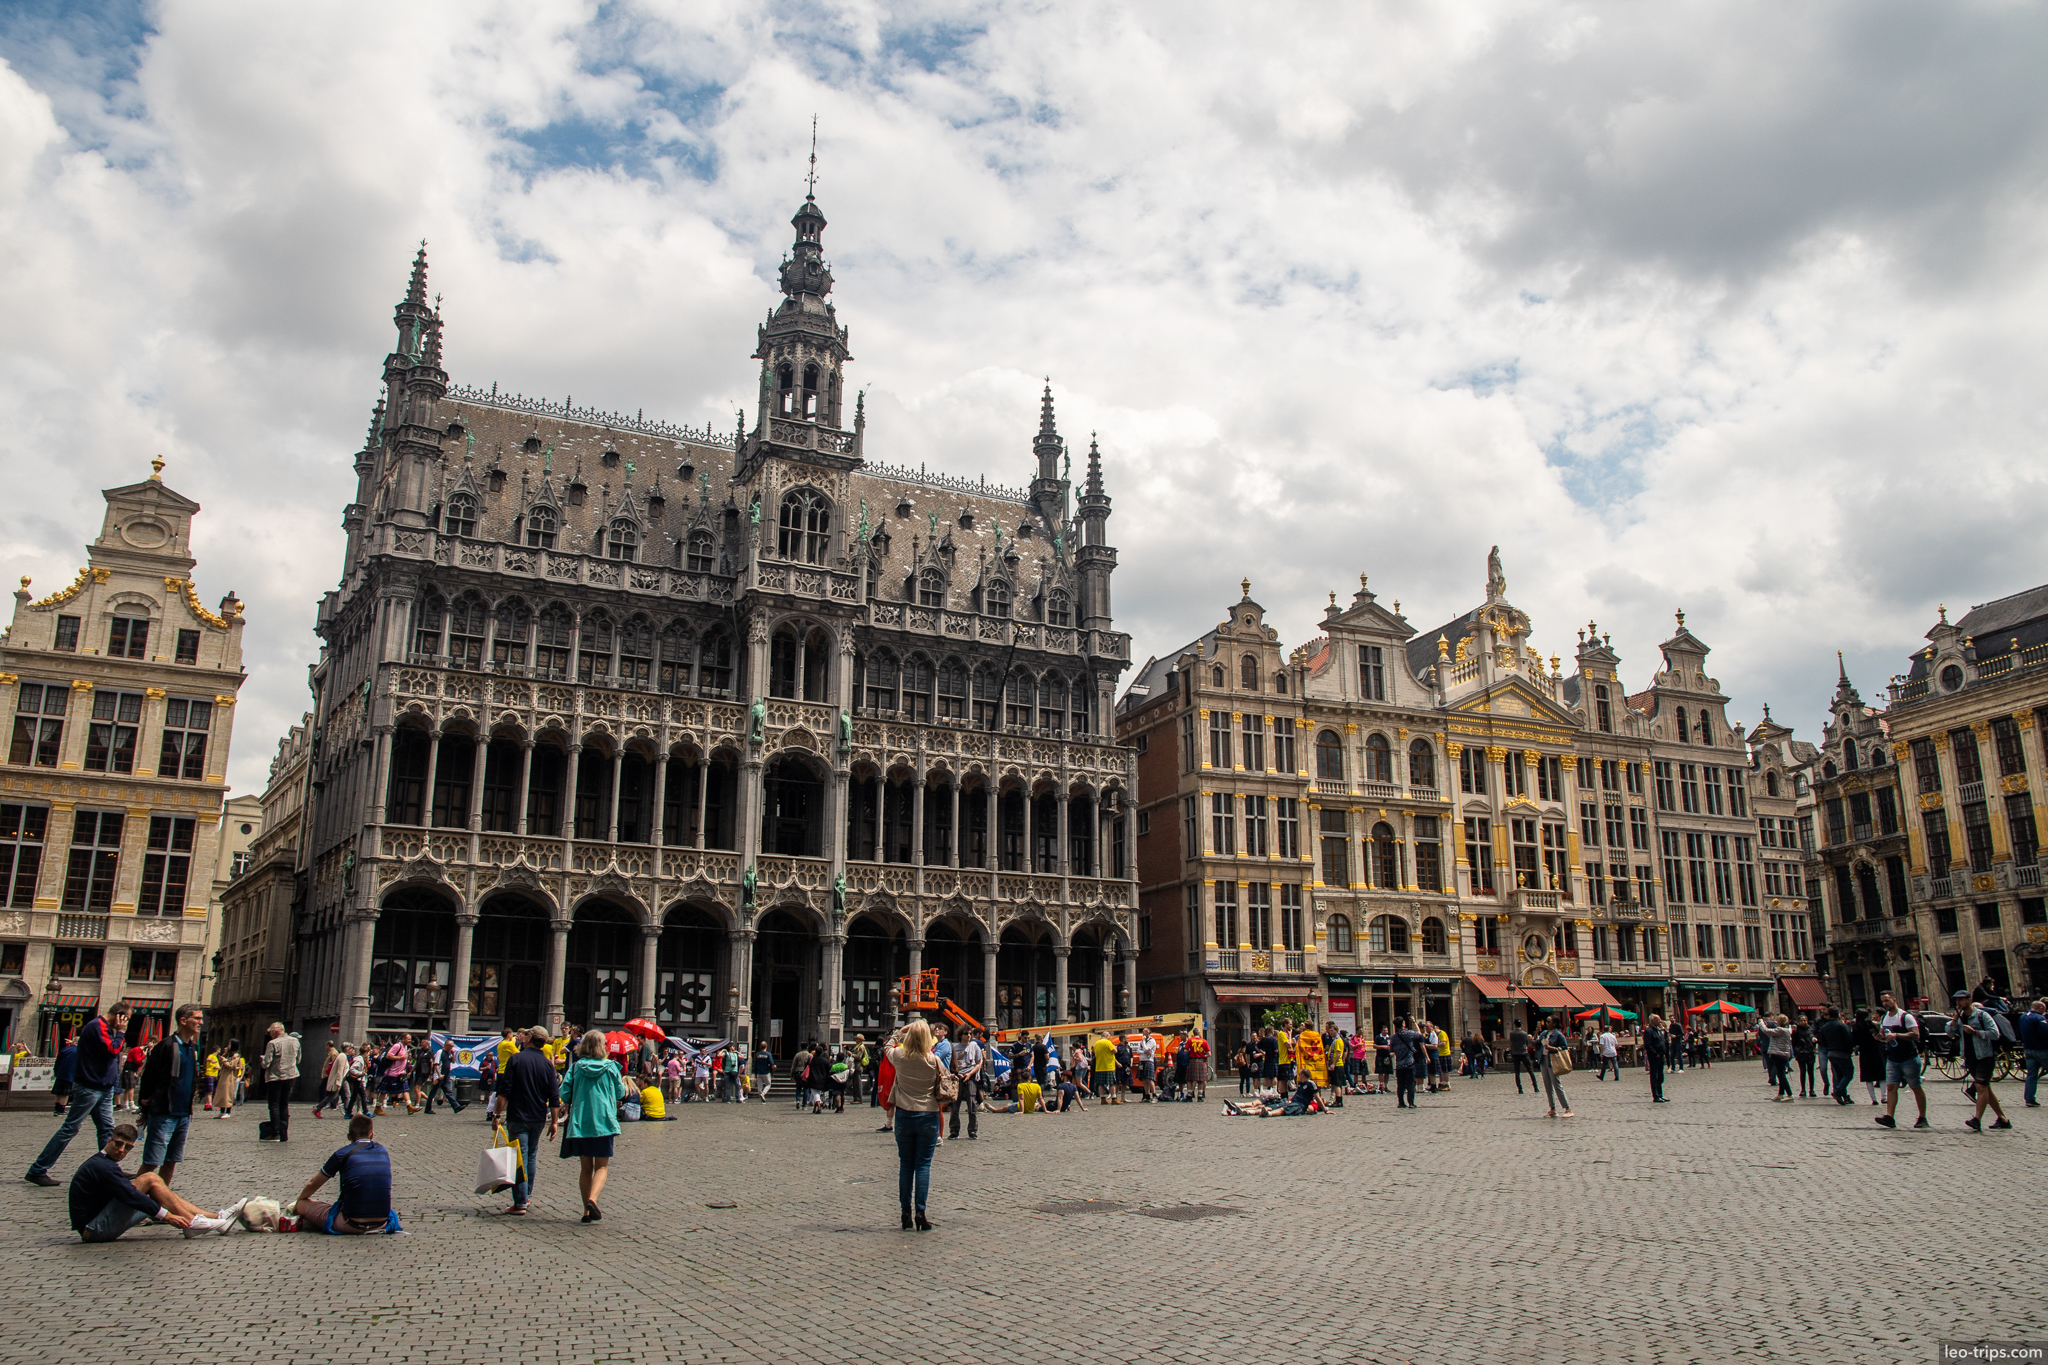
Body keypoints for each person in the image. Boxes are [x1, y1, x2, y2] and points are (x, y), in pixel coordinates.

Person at [26, 1001, 130, 1186]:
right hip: (91, 1086)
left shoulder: (105, 1028)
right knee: (70, 1128)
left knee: (106, 1129)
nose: (126, 1023)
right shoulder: (98, 1027)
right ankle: (38, 1169)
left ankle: (110, 1170)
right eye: (126, 1019)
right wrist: (121, 1033)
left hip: (102, 1087)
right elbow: (112, 1049)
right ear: (119, 1016)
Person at [69, 1125, 230, 1241]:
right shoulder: (102, 1166)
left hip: (98, 1224)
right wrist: (167, 1216)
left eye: (127, 1147)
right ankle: (192, 1222)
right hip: (94, 1229)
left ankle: (215, 1217)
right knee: (150, 1178)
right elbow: (129, 1195)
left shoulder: (104, 1163)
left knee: (161, 1191)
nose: (121, 1150)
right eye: (118, 1144)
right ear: (109, 1141)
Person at [293, 1114, 400, 1234]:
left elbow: (313, 1183)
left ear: (349, 1136)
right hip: (381, 1222)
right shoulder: (383, 1151)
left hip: (351, 1223)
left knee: (303, 1205)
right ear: (372, 1134)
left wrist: (299, 1202)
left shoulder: (342, 1154)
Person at [559, 1029, 623, 1223]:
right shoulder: (611, 1067)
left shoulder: (576, 1068)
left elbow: (564, 1093)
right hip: (604, 1122)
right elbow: (620, 1093)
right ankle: (593, 1200)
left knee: (585, 1168)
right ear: (602, 1046)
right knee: (602, 1167)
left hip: (581, 1123)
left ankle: (586, 1212)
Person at [137, 1003, 205, 1186]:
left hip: (183, 1113)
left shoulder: (192, 1047)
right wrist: (145, 1109)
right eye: (197, 1018)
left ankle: (160, 1198)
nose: (201, 1022)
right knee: (152, 1160)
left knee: (171, 1160)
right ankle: (132, 1199)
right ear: (183, 1021)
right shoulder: (166, 1046)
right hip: (164, 1112)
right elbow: (148, 1078)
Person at [494, 1024, 559, 1216]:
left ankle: (520, 1202)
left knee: (519, 1157)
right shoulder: (547, 1063)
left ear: (529, 1038)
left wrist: (497, 1115)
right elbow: (554, 1096)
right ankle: (526, 1195)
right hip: (538, 1117)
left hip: (518, 1115)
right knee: (530, 1156)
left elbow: (503, 1093)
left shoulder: (516, 1059)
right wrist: (554, 1122)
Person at [885, 1021, 943, 1232]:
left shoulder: (900, 1057)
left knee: (906, 1165)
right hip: (928, 1115)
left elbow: (887, 1048)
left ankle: (904, 1213)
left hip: (904, 1115)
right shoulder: (933, 1060)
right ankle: (920, 1212)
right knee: (923, 1166)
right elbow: (945, 1080)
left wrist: (899, 1032)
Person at [1953, 990, 2012, 1132]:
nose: (1958, 1003)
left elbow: (1994, 1033)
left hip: (1985, 1056)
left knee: (1980, 1087)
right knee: (1985, 1088)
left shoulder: (1982, 1015)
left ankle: (1977, 1120)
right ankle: (2003, 1119)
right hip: (1970, 1057)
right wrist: (1955, 1020)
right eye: (1957, 1000)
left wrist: (1975, 1032)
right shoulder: (1960, 1017)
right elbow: (1950, 1033)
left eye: (1961, 999)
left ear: (1969, 1000)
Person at [1875, 992, 1928, 1129]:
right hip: (1893, 1058)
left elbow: (1916, 1035)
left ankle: (1922, 1117)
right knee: (1891, 1086)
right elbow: (1883, 1033)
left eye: (1887, 1000)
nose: (1885, 1003)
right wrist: (1880, 1037)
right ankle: (1889, 1117)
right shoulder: (1885, 1017)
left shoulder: (1906, 1017)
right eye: (1883, 1001)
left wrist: (1897, 1035)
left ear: (1894, 1000)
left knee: (1915, 1087)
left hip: (1908, 1057)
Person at [261, 1021, 302, 1142]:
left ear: (274, 1031)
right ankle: (284, 1133)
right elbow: (298, 1059)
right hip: (291, 1076)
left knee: (274, 1104)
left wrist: (262, 1061)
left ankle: (276, 1132)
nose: (270, 1035)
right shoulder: (295, 1041)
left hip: (276, 1076)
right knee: (284, 1104)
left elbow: (266, 1063)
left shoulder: (273, 1043)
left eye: (270, 1032)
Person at [1816, 1006, 1856, 1105]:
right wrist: (1850, 1050)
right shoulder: (1841, 1026)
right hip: (1842, 1053)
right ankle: (1838, 1091)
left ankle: (1845, 1096)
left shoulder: (1825, 1027)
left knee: (1839, 1075)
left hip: (1831, 1053)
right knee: (1848, 1074)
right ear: (1838, 1014)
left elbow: (1822, 1040)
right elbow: (1849, 1039)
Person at [1536, 1017, 1573, 1119]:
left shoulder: (1558, 1035)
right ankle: (1552, 1108)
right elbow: (1536, 1044)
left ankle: (1567, 1108)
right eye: (1546, 1021)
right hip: (1543, 1060)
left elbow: (1564, 1047)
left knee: (1557, 1085)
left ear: (1555, 1023)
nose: (1546, 1023)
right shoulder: (1544, 1033)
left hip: (1553, 1061)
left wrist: (1552, 1048)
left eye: (1549, 1021)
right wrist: (1536, 1033)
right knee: (1547, 1086)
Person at [948, 1028, 982, 1139]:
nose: (968, 1035)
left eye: (970, 1033)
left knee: (972, 1104)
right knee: (955, 1106)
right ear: (960, 1035)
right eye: (966, 1033)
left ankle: (972, 1130)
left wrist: (970, 1074)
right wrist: (957, 1073)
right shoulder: (955, 1048)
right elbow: (952, 1064)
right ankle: (954, 1130)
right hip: (958, 1078)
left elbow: (979, 1063)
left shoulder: (974, 1046)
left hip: (970, 1077)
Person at [1756, 1014, 1794, 1101]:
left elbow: (1766, 1031)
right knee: (1780, 1075)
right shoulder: (1786, 1030)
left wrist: (1761, 1023)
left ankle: (1790, 1094)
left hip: (1779, 1054)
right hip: (1781, 1054)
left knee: (1782, 1075)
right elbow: (1771, 1035)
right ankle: (1780, 1094)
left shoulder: (1781, 1030)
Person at [1853, 1007, 1884, 1106]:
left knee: (1868, 1077)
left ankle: (1873, 1099)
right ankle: (1884, 1096)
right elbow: (1877, 1036)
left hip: (1864, 1052)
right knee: (1881, 1075)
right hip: (1875, 1050)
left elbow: (1854, 1040)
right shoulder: (1870, 1025)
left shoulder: (1856, 1027)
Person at [1391, 1017, 1424, 1109]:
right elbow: (1419, 1035)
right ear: (1403, 1024)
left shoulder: (1393, 1037)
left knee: (1400, 1084)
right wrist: (1414, 1022)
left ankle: (1401, 1102)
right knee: (1410, 1084)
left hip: (1399, 1064)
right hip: (1409, 1063)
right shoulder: (1408, 1034)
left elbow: (1391, 1050)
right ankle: (1411, 1102)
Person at [2021, 998, 2048, 1109]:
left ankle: (2029, 1099)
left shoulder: (2023, 1017)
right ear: (2040, 1008)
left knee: (2031, 1075)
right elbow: (2046, 1032)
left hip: (2028, 1049)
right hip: (2041, 1049)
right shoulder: (2039, 1018)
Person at [312, 1042, 348, 1119]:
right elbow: (339, 1069)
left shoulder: (340, 1055)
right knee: (333, 1095)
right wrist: (338, 1081)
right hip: (340, 1078)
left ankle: (348, 1111)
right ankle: (318, 1108)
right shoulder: (342, 1056)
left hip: (342, 1078)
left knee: (345, 1095)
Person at [1642, 1014, 1669, 1102]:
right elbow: (1647, 1044)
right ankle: (1656, 1096)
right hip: (1654, 1056)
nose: (1660, 1021)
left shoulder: (1658, 1030)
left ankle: (1660, 1094)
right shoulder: (1649, 1031)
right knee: (1655, 1076)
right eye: (1658, 1020)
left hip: (1661, 1055)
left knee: (1660, 1076)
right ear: (1652, 1020)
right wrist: (1654, 1053)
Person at [1791, 1016, 1818, 1098]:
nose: (1804, 1022)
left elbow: (1814, 1040)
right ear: (1799, 1021)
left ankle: (1812, 1089)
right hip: (1801, 1053)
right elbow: (1794, 1042)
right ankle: (1803, 1089)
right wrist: (1796, 1052)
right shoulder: (1796, 1031)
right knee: (1802, 1072)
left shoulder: (1810, 1030)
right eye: (1802, 1020)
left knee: (1811, 1072)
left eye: (1805, 1020)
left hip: (1810, 1053)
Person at [1507, 1022, 1534, 1095]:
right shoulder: (1524, 1033)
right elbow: (1526, 1043)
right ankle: (1535, 1087)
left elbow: (1511, 1042)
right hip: (1523, 1052)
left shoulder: (1512, 1033)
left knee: (1517, 1071)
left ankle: (1520, 1089)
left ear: (1515, 1025)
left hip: (1515, 1053)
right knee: (1530, 1070)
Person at [1186, 1028, 1212, 1102]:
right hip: (1201, 1061)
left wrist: (1191, 1052)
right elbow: (1209, 1053)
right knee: (1201, 1080)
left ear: (1193, 1033)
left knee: (1190, 1080)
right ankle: (1200, 1096)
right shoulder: (1204, 1041)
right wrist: (1203, 1055)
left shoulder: (1190, 1040)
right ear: (1199, 1033)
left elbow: (1186, 1050)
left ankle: (1189, 1095)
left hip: (1192, 1061)